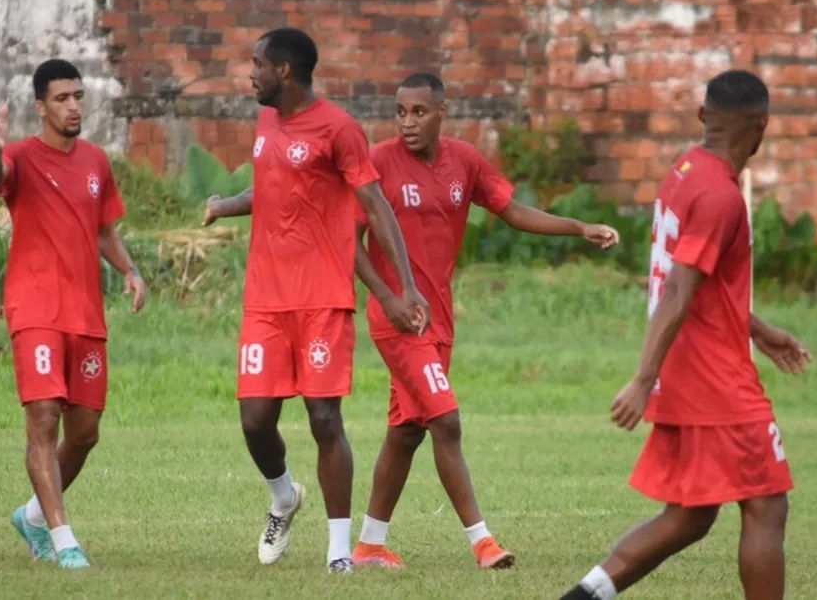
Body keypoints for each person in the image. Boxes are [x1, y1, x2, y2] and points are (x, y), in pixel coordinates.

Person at [348, 73, 619, 570]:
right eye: (401, 111)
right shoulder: (379, 162)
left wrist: (578, 227)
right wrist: (387, 297)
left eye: (419, 112)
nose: (408, 122)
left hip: (440, 321)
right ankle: (484, 543)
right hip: (399, 321)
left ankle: (368, 546)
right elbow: (349, 238)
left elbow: (511, 210)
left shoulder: (464, 161)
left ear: (442, 112)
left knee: (407, 431)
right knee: (446, 421)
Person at [560, 70, 812, 600]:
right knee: (767, 503)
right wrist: (641, 377)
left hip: (686, 367)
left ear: (703, 117)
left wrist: (759, 330)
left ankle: (582, 597)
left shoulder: (685, 169)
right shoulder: (722, 196)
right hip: (713, 378)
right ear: (762, 126)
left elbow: (702, 281)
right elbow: (678, 288)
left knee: (692, 515)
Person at [203, 28, 429, 574]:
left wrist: (404, 288)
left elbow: (375, 207)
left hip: (323, 297)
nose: (249, 72)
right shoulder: (265, 121)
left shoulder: (339, 128)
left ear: (284, 70)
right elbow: (270, 184)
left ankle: (337, 553)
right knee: (255, 420)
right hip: (265, 299)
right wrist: (225, 203)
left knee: (325, 419)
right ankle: (284, 496)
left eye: (257, 63)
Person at [0, 59, 146, 570]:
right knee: (44, 419)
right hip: (34, 308)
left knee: (85, 432)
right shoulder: (19, 157)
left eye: (78, 96)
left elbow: (104, 233)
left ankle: (31, 515)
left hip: (85, 312)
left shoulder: (96, 161)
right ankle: (62, 538)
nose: (73, 106)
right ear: (40, 107)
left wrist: (132, 272)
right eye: (62, 98)